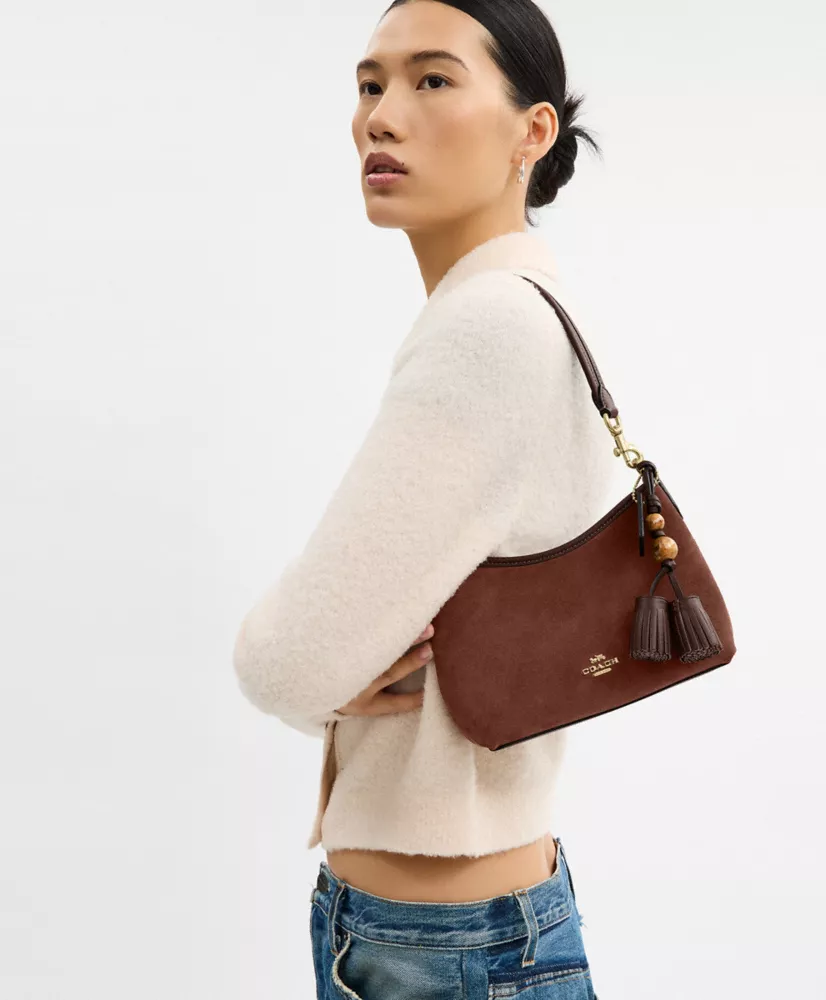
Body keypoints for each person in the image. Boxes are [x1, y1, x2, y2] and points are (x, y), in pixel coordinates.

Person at [232, 1, 614, 995]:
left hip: (445, 948)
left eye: (432, 80)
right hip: (457, 931)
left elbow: (286, 660)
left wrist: (316, 670)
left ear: (533, 131)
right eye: (370, 84)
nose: (381, 116)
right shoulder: (519, 307)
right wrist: (334, 668)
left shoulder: (487, 328)